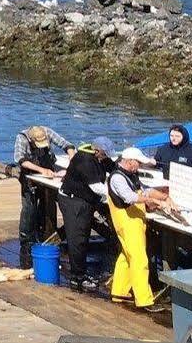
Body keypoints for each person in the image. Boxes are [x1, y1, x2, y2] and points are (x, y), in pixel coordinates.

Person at [107, 146, 173, 309]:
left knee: (126, 256)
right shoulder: (117, 177)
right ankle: (144, 300)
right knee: (139, 260)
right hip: (127, 222)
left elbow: (145, 190)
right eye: (138, 163)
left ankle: (119, 291)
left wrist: (164, 195)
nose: (140, 166)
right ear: (129, 162)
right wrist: (156, 202)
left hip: (135, 221)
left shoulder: (131, 174)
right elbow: (129, 197)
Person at [56, 138, 110, 290]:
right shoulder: (85, 161)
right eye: (105, 154)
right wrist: (116, 192)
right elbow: (96, 187)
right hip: (73, 202)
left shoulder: (98, 158)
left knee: (83, 237)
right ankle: (77, 277)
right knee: (77, 239)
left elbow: (112, 166)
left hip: (86, 201)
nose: (106, 157)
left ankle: (81, 272)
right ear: (98, 151)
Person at [12, 125, 66, 268]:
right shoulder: (22, 138)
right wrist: (41, 170)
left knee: (47, 205)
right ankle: (26, 241)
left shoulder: (47, 131)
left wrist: (72, 158)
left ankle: (47, 235)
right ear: (31, 139)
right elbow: (20, 159)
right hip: (29, 175)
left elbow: (67, 145)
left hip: (48, 173)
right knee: (29, 208)